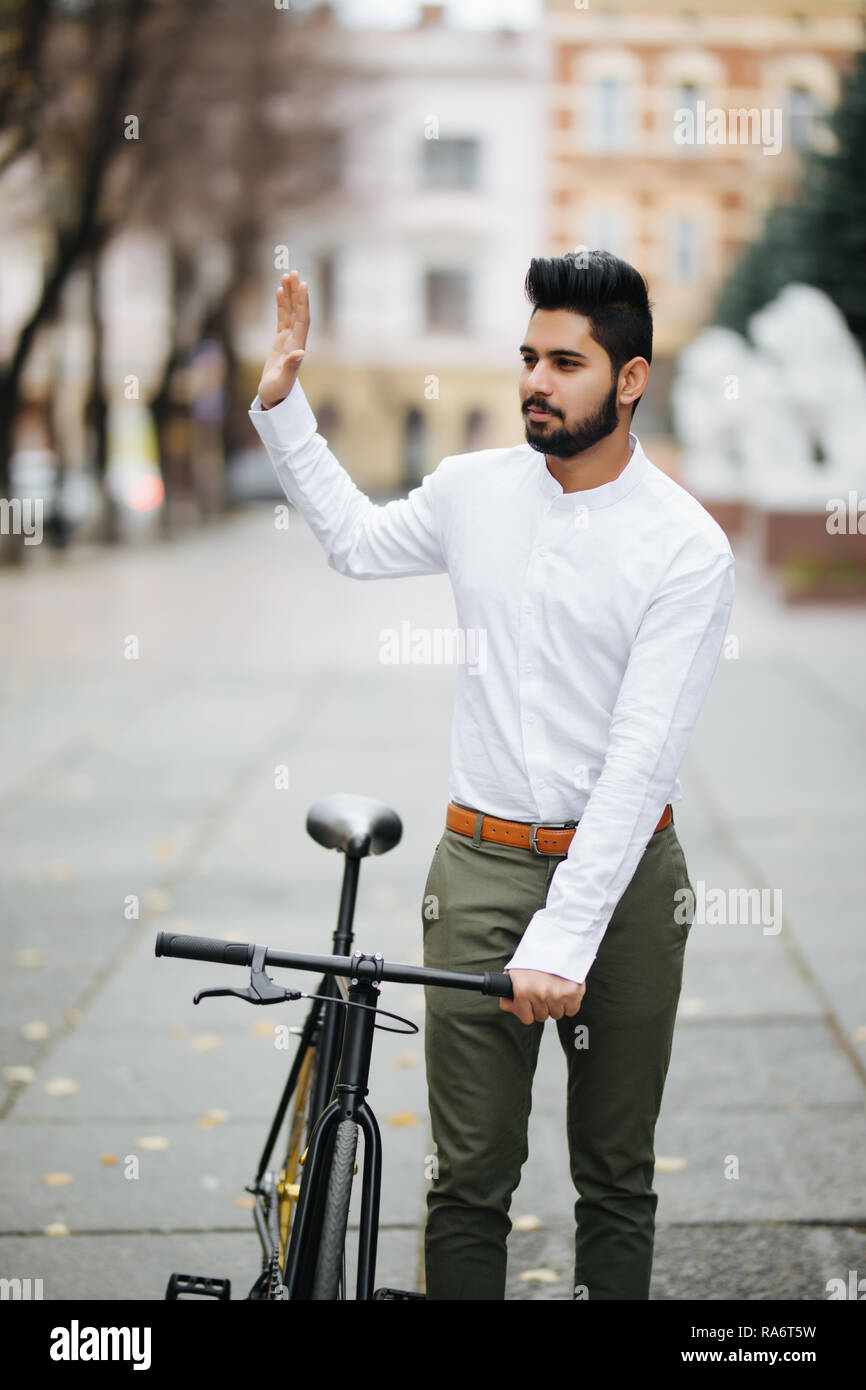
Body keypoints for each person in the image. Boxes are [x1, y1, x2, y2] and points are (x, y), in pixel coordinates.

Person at [249, 250, 735, 1301]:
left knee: (615, 1176)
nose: (534, 382)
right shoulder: (474, 490)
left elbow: (638, 760)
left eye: (565, 363)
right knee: (465, 1180)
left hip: (626, 884)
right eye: (527, 358)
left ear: (631, 379)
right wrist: (284, 407)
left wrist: (563, 937)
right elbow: (355, 542)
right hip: (478, 868)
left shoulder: (685, 548)